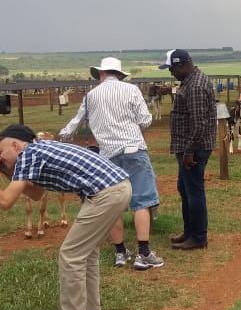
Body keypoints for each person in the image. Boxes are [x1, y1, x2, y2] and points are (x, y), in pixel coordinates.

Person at [0, 124, 131, 310]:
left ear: (16, 145)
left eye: (1, 153)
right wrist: (2, 169)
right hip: (115, 187)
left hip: (105, 193)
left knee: (71, 255)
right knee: (87, 252)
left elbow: (5, 202)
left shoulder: (29, 153)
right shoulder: (38, 151)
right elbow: (36, 194)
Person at [59, 57, 164, 271]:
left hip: (106, 155)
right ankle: (143, 253)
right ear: (119, 74)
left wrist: (60, 137)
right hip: (134, 149)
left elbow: (74, 125)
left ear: (101, 74)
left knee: (114, 202)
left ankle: (120, 252)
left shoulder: (90, 96)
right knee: (142, 200)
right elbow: (145, 120)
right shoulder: (132, 90)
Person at [161, 49, 216, 250]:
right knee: (185, 189)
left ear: (181, 65)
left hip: (193, 149)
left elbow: (199, 123)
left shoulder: (196, 86)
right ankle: (189, 231)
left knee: (194, 192)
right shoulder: (191, 81)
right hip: (187, 147)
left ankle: (199, 237)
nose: (171, 73)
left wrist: (189, 152)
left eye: (172, 69)